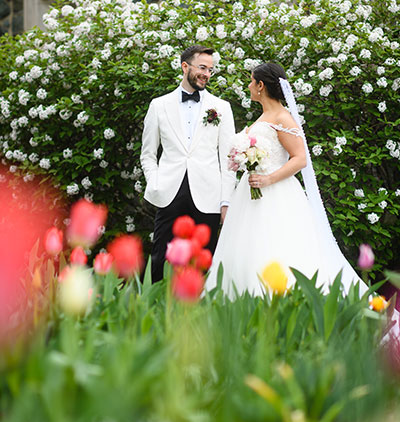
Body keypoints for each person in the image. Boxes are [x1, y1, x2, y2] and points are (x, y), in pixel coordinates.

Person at [205, 62, 368, 297]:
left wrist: (269, 179)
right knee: (248, 249)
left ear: (261, 85)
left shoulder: (283, 117)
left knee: (276, 246)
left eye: (251, 81)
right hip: (250, 194)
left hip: (276, 193)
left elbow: (300, 158)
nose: (249, 85)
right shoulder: (264, 115)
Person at [140, 45, 236, 283]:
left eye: (211, 70)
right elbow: (148, 154)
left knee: (204, 261)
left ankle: (201, 314)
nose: (207, 74)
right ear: (185, 66)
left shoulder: (221, 107)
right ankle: (157, 310)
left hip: (208, 195)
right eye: (202, 67)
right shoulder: (158, 105)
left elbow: (228, 159)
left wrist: (226, 201)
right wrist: (155, 182)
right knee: (160, 258)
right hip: (169, 192)